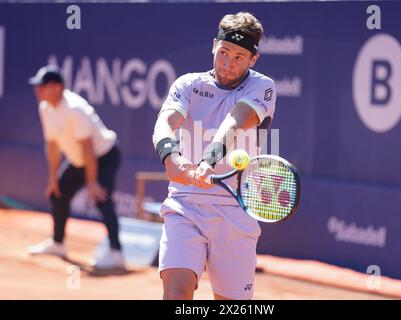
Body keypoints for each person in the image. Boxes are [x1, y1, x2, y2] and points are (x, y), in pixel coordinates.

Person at [153, 12, 277, 300]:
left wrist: (207, 162)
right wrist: (170, 155)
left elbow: (233, 123)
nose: (227, 64)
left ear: (253, 59)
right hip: (185, 203)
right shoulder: (188, 84)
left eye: (239, 57)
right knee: (176, 296)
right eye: (223, 53)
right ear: (213, 46)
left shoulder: (263, 87)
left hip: (235, 208)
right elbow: (165, 122)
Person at [27, 65, 124, 270]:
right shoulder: (45, 107)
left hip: (104, 155)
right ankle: (58, 243)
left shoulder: (75, 108)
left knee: (101, 198)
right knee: (57, 192)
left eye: (42, 86)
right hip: (80, 159)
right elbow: (52, 145)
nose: (38, 90)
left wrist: (91, 182)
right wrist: (53, 177)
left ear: (57, 87)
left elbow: (88, 148)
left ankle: (116, 253)